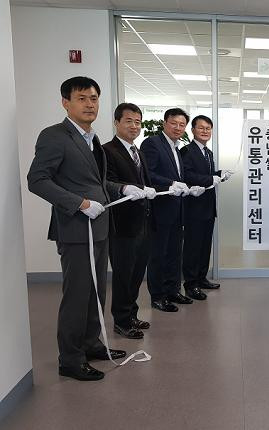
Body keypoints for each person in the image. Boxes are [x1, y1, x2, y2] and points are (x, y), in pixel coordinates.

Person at [27, 76, 146, 381]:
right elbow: (37, 180)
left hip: (100, 227)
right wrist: (79, 203)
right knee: (77, 295)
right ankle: (70, 359)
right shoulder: (55, 136)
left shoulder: (93, 139)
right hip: (75, 230)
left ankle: (91, 344)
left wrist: (122, 188)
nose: (90, 104)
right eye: (82, 98)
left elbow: (98, 182)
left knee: (96, 292)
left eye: (94, 98)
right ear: (65, 102)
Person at [103, 103, 157, 339]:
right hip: (122, 224)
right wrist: (125, 188)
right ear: (117, 122)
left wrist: (151, 189)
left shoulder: (138, 151)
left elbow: (144, 181)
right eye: (129, 121)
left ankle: (131, 314)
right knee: (123, 274)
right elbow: (105, 181)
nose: (134, 126)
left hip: (143, 221)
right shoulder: (107, 151)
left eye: (137, 122)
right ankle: (122, 321)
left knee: (136, 272)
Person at [140, 108, 197, 312]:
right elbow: (148, 173)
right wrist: (171, 183)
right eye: (174, 123)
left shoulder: (176, 147)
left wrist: (188, 187)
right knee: (158, 255)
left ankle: (173, 290)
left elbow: (179, 176)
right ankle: (157, 296)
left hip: (177, 209)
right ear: (165, 123)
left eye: (182, 125)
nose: (178, 128)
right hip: (160, 209)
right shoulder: (152, 143)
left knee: (174, 253)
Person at [180, 115, 231, 297]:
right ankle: (190, 284)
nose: (205, 131)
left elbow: (206, 174)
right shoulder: (186, 151)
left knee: (204, 246)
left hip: (208, 206)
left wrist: (220, 174)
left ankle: (201, 278)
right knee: (193, 247)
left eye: (208, 128)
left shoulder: (208, 152)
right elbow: (187, 175)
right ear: (193, 130)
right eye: (201, 128)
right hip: (193, 207)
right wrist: (211, 178)